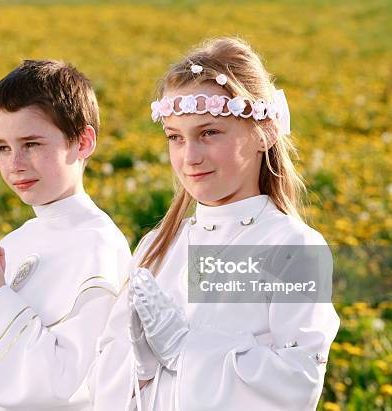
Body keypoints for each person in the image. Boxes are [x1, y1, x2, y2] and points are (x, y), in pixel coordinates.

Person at [89, 37, 340, 410]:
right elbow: (102, 379)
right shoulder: (157, 245)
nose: (190, 157)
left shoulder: (292, 247)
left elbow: (298, 383)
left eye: (209, 133)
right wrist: (137, 368)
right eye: (175, 137)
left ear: (265, 132)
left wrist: (184, 348)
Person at [0, 60, 131, 411]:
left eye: (31, 144)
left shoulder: (98, 245)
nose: (14, 163)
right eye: (2, 148)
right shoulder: (16, 240)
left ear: (83, 141)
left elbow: (70, 385)